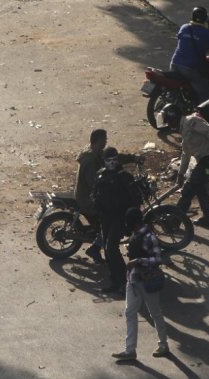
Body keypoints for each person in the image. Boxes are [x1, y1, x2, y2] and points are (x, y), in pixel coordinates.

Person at [112, 207, 169, 361]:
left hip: (147, 282)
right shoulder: (135, 234)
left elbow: (158, 260)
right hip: (133, 280)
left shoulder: (150, 237)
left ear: (134, 222)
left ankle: (163, 345)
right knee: (130, 313)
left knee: (155, 313)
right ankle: (130, 351)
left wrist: (138, 261)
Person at [74, 129, 139, 263]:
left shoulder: (95, 153)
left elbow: (115, 157)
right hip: (88, 199)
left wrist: (133, 158)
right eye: (104, 139)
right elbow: (95, 183)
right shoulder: (91, 160)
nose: (106, 142)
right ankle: (96, 247)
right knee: (112, 215)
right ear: (98, 141)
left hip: (90, 195)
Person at [92, 147, 141, 293]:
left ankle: (125, 283)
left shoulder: (125, 177)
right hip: (105, 218)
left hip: (119, 218)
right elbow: (94, 194)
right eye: (108, 160)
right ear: (104, 161)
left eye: (114, 160)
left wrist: (130, 221)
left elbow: (135, 200)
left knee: (111, 248)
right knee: (108, 251)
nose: (112, 163)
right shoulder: (101, 176)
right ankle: (115, 281)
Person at [173, 108, 209, 228]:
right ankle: (208, 218)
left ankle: (175, 220)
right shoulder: (184, 131)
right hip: (207, 162)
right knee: (198, 184)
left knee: (191, 185)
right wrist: (180, 174)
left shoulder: (191, 121)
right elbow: (185, 154)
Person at [169, 6, 209, 102]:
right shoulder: (207, 34)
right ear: (205, 19)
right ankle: (204, 114)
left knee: (177, 88)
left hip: (174, 64)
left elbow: (181, 38)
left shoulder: (184, 27)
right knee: (204, 90)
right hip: (189, 68)